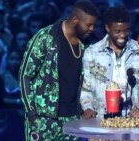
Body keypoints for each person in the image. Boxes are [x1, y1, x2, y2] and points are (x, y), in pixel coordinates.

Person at [19, 0, 99, 140]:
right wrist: (32, 113)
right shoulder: (46, 37)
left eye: (93, 25)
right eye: (88, 25)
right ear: (75, 20)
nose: (92, 29)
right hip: (44, 119)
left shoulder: (87, 44)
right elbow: (25, 75)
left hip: (72, 120)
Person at [80, 6, 139, 119]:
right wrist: (87, 108)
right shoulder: (92, 52)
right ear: (107, 28)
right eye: (117, 31)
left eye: (126, 30)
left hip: (131, 118)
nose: (123, 35)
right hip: (100, 119)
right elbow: (86, 86)